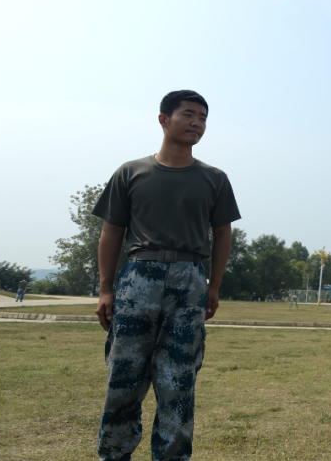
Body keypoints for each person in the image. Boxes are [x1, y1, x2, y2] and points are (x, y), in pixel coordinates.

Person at [93, 90, 241, 461]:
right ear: (164, 119)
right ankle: (114, 454)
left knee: (179, 382)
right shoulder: (131, 172)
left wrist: (214, 286)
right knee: (123, 379)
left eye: (203, 118)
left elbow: (223, 234)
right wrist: (106, 290)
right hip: (138, 278)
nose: (197, 123)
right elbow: (111, 232)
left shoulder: (214, 179)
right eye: (189, 114)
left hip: (189, 281)